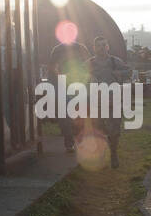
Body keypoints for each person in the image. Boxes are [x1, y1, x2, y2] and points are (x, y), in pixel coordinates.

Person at [89, 35, 131, 169]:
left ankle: (113, 154)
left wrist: (120, 73)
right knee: (98, 130)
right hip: (97, 102)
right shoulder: (90, 63)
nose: (101, 48)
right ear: (94, 48)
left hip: (114, 101)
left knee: (114, 130)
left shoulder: (115, 61)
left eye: (104, 45)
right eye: (98, 45)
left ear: (108, 47)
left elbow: (129, 71)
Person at [49, 39, 91, 154]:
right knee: (65, 118)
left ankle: (79, 141)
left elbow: (89, 66)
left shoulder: (81, 48)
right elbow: (52, 69)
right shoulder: (57, 50)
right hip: (64, 86)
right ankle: (69, 142)